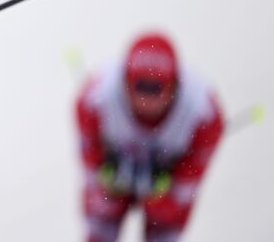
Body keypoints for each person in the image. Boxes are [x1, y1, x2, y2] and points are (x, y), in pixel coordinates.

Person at [75, 33, 224, 242]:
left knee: (165, 231)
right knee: (101, 226)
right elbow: (89, 162)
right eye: (140, 86)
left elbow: (188, 185)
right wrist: (106, 179)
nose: (146, 99)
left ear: (173, 86)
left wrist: (160, 197)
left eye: (155, 89)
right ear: (125, 81)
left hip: (168, 183)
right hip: (112, 177)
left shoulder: (204, 114)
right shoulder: (94, 99)